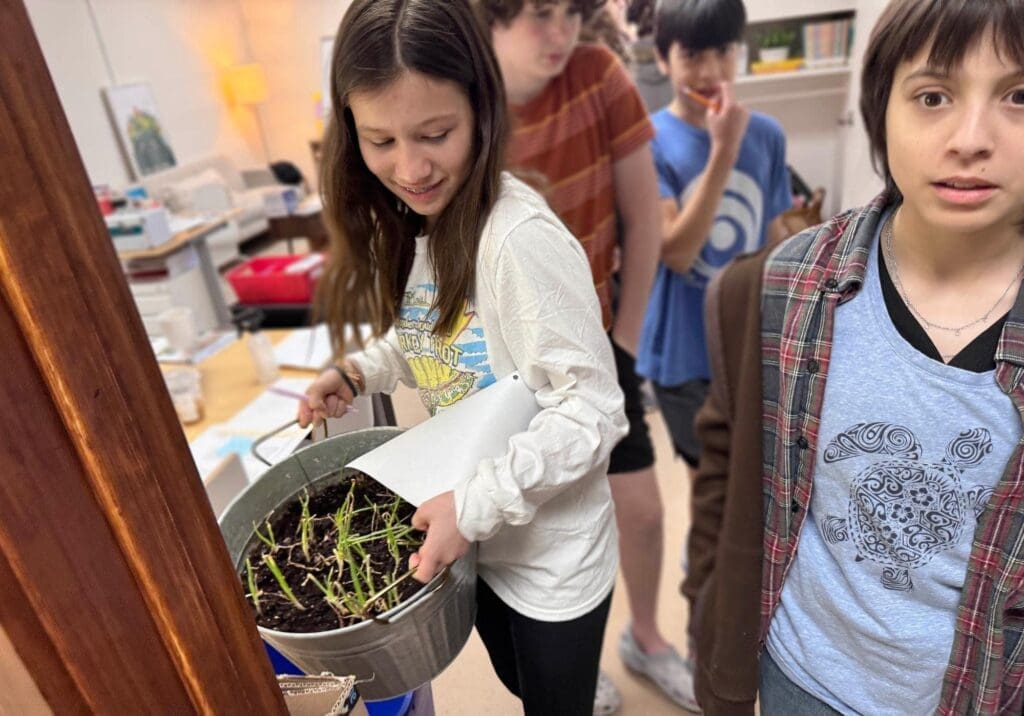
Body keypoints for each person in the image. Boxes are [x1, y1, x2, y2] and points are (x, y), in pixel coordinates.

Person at [686, 0, 1024, 712]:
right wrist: (713, 633)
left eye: (1018, 96)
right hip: (798, 675)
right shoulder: (779, 288)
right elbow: (727, 474)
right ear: (881, 111)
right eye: (932, 97)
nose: (971, 139)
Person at [298, 2, 628, 714]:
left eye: (436, 134)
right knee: (515, 679)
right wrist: (362, 371)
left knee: (553, 699)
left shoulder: (516, 241)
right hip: (481, 541)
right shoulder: (420, 222)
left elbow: (594, 411)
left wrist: (473, 505)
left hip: (549, 557)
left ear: (480, 111)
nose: (410, 167)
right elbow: (432, 333)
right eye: (380, 140)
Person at [471, 2, 687, 713]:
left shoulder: (599, 74)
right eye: (538, 14)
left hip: (596, 346)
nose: (559, 32)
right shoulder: (464, 98)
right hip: (504, 363)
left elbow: (644, 220)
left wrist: (624, 338)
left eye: (570, 11)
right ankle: (568, 657)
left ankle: (648, 638)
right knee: (530, 525)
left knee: (645, 512)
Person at [636, 0, 791, 473]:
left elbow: (771, 238)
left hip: (748, 343)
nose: (709, 72)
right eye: (692, 56)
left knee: (754, 482)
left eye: (722, 52)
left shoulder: (766, 135)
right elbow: (677, 252)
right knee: (710, 482)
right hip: (682, 354)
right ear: (663, 60)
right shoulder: (649, 140)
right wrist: (723, 149)